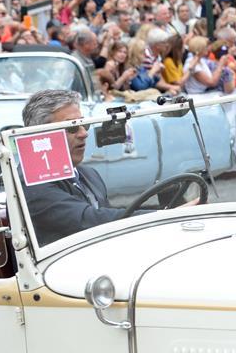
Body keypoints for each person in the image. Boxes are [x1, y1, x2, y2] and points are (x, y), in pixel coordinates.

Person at [20, 90, 198, 245]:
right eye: (72, 128)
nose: (84, 133)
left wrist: (168, 212)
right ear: (40, 136)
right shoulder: (32, 181)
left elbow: (109, 216)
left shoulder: (89, 175)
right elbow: (88, 219)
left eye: (84, 124)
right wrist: (163, 218)